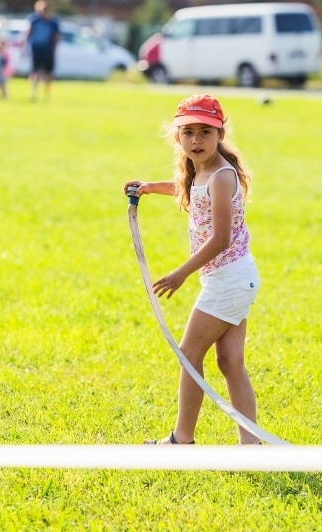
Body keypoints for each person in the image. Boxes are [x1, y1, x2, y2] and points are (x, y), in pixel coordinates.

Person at [123, 94, 262, 445]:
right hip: (235, 277)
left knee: (189, 356)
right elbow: (189, 191)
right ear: (177, 137)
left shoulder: (221, 177)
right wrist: (152, 188)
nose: (196, 140)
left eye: (205, 132)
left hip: (228, 279)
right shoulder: (201, 172)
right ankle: (252, 447)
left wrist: (180, 273)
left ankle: (181, 440)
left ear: (220, 135)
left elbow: (220, 238)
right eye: (188, 132)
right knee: (230, 362)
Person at [26, 0, 60, 101]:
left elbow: (56, 37)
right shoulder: (34, 20)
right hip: (36, 50)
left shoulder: (53, 22)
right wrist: (25, 46)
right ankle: (34, 93)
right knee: (35, 72)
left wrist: (54, 49)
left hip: (48, 51)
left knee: (48, 74)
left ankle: (47, 95)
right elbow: (28, 33)